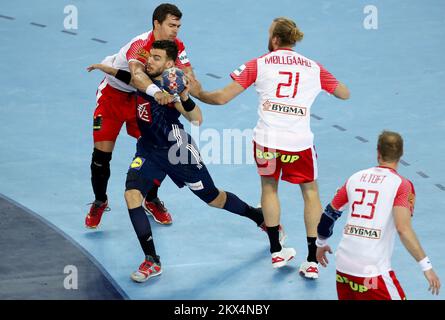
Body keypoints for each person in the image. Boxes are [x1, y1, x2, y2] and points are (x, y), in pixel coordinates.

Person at [88, 40, 282, 283]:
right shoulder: (143, 79)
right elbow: (129, 78)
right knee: (132, 195)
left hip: (178, 152)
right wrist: (106, 68)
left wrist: (182, 96)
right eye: (151, 56)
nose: (150, 61)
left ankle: (258, 217)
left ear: (169, 63)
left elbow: (196, 117)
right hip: (149, 150)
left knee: (214, 198)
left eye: (157, 58)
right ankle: (152, 260)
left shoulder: (173, 86)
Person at [189, 17, 350, 278]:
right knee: (310, 193)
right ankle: (311, 260)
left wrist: (198, 93)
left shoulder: (259, 64)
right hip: (299, 144)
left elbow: (220, 98)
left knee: (269, 188)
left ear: (275, 39)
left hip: (267, 141)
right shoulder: (313, 67)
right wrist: (320, 86)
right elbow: (345, 93)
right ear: (293, 39)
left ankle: (276, 251)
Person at [86, 3, 194, 228]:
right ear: (157, 23)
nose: (176, 30)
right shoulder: (140, 45)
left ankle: (151, 199)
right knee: (101, 157)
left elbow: (187, 72)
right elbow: (135, 75)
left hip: (141, 100)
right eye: (171, 25)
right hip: (113, 98)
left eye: (178, 26)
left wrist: (191, 88)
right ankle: (100, 200)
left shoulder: (176, 45)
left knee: (158, 149)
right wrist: (157, 92)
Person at [316, 131, 441, 300]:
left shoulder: (355, 178)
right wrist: (426, 266)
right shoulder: (402, 186)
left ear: (378, 152)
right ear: (401, 155)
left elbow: (329, 215)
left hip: (343, 266)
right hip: (372, 270)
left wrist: (321, 243)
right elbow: (403, 229)